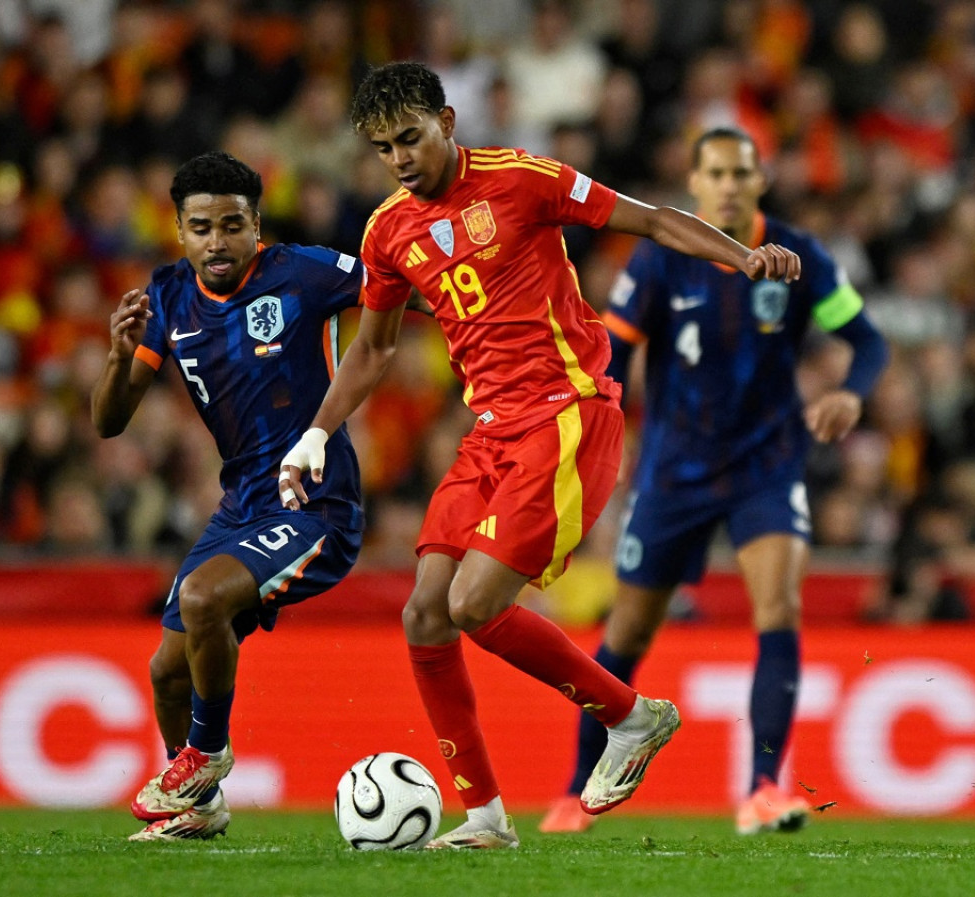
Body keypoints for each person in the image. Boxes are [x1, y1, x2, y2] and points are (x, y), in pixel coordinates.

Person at [278, 64, 801, 850]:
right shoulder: (387, 230)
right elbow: (375, 348)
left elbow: (652, 220)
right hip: (488, 431)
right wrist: (317, 431)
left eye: (411, 138)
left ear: (448, 120)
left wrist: (744, 257)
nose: (400, 159)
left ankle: (630, 717)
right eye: (384, 148)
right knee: (424, 612)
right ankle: (484, 817)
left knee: (473, 605)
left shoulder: (523, 179)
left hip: (567, 415)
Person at [539, 127, 890, 836]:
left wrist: (852, 391)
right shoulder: (665, 260)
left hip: (766, 464)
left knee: (779, 605)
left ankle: (764, 788)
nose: (728, 184)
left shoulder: (800, 259)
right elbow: (612, 350)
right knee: (629, 630)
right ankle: (575, 793)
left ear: (760, 180)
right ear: (694, 185)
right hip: (675, 470)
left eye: (740, 172)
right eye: (715, 173)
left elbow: (868, 340)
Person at [91, 151, 367, 841]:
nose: (217, 241)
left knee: (204, 597)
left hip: (314, 501)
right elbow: (108, 421)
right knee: (165, 672)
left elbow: (408, 288)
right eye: (201, 226)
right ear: (180, 231)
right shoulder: (168, 297)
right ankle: (199, 807)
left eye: (232, 225)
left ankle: (206, 755)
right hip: (241, 501)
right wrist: (118, 357)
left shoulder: (304, 271)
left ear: (257, 227)